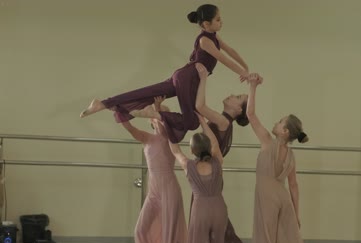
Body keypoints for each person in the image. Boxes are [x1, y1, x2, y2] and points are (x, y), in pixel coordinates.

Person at [80, 4, 249, 143]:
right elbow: (223, 59)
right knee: (191, 122)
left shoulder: (214, 37)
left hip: (184, 76)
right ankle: (155, 114)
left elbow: (231, 51)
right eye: (218, 19)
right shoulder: (205, 40)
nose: (221, 22)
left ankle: (102, 103)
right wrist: (243, 73)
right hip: (188, 78)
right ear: (206, 24)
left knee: (147, 92)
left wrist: (245, 67)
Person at [246, 74, 309, 243]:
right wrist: (296, 214)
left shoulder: (267, 141)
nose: (276, 122)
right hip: (283, 198)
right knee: (282, 241)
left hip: (267, 197)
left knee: (265, 239)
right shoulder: (291, 155)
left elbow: (250, 115)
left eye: (280, 121)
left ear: (285, 131)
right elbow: (294, 186)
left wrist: (253, 87)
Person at [194, 63, 252, 243]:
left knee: (211, 227)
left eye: (237, 97)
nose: (232, 95)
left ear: (238, 109)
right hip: (208, 177)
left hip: (206, 179)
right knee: (216, 226)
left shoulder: (223, 121)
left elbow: (199, 107)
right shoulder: (224, 122)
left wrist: (203, 78)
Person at [117, 103, 187, 243]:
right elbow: (128, 127)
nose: (160, 117)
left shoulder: (171, 137)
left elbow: (165, 127)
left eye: (164, 115)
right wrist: (118, 110)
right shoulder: (146, 138)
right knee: (140, 231)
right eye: (156, 115)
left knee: (171, 237)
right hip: (153, 193)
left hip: (170, 190)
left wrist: (157, 107)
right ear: (150, 120)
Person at [169, 112, 228, 243]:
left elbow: (175, 150)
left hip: (200, 210)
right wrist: (202, 120)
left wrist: (167, 124)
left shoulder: (188, 166)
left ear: (192, 150)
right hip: (219, 209)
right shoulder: (217, 161)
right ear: (208, 148)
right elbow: (214, 143)